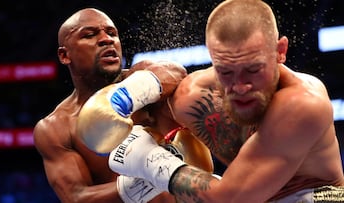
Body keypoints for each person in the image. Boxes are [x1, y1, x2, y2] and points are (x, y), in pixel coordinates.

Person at [107, 0, 344, 202]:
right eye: (226, 72)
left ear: (280, 51)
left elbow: (230, 198)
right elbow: (164, 93)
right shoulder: (192, 97)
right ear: (212, 59)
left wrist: (149, 161)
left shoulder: (303, 104)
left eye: (253, 69)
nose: (240, 86)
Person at [33, 7, 194, 203]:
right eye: (90, 35)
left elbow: (176, 72)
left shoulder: (141, 78)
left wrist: (123, 99)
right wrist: (154, 175)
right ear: (64, 55)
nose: (107, 39)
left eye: (112, 33)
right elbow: (76, 198)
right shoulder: (56, 127)